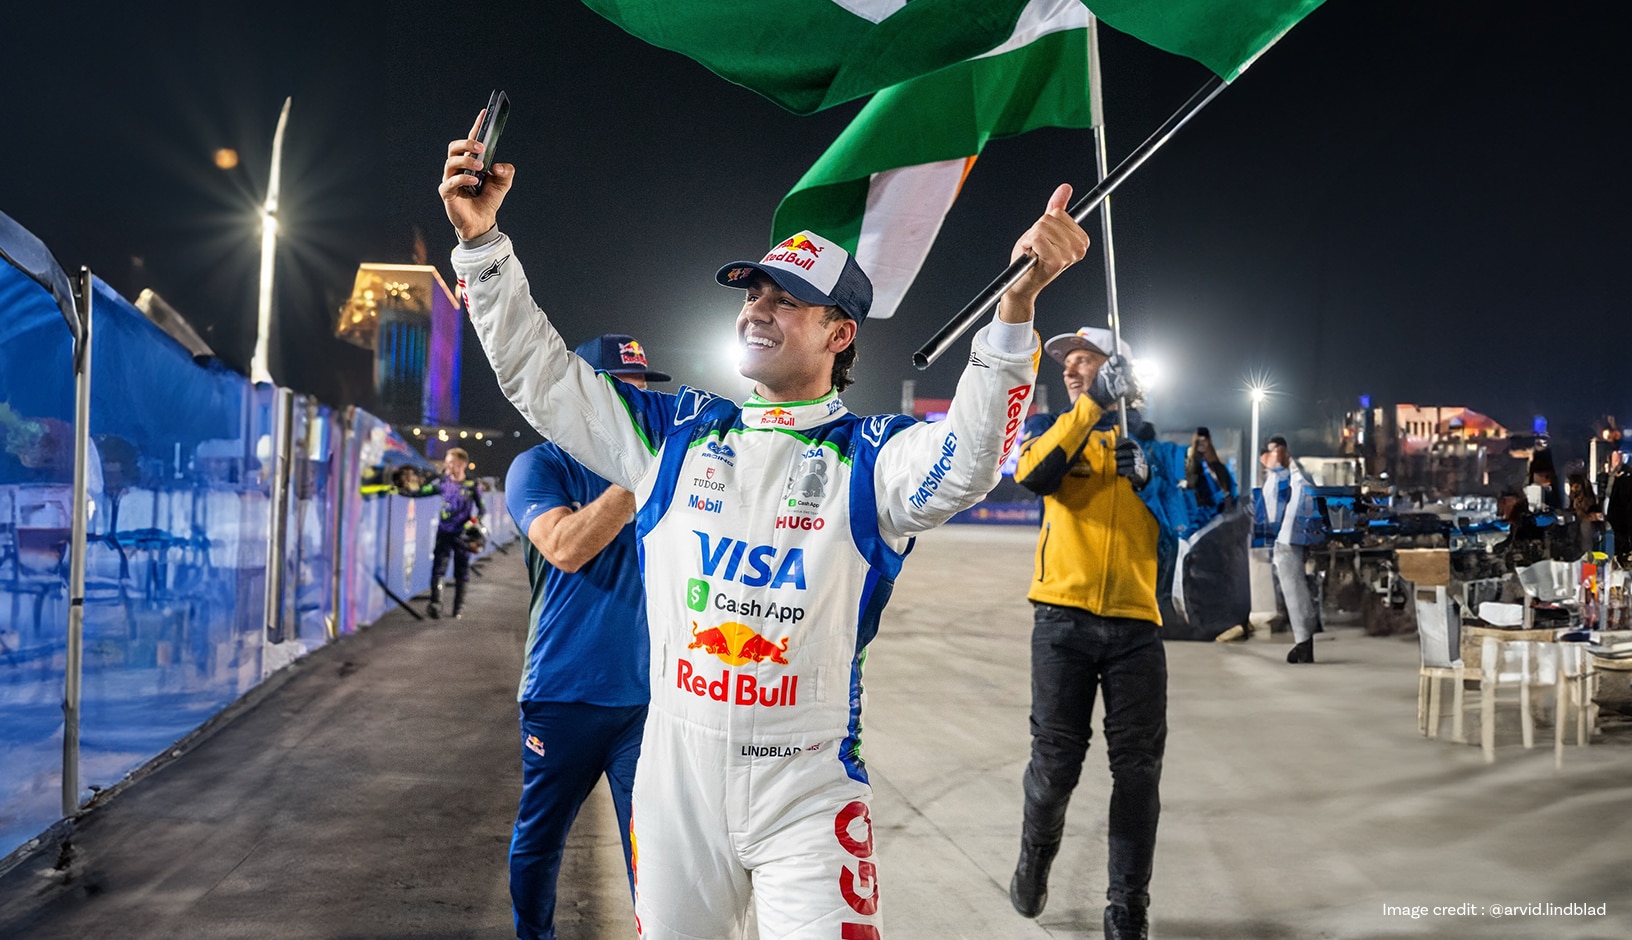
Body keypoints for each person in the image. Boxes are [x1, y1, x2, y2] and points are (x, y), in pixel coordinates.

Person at [440, 115, 1087, 939]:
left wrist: (1016, 308)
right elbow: (538, 373)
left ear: (839, 333)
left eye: (788, 300)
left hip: (809, 793)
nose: (758, 310)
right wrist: (484, 246)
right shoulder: (674, 434)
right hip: (674, 784)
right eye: (754, 294)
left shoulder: (872, 459)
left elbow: (970, 459)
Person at [502, 332, 670, 940]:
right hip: (563, 692)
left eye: (641, 390)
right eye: (621, 389)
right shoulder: (540, 466)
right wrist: (636, 483)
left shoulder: (665, 474)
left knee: (653, 847)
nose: (635, 403)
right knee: (541, 837)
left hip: (645, 700)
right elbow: (565, 548)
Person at [1007, 326, 1163, 940]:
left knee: (1139, 773)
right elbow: (1032, 477)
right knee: (1055, 767)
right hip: (1061, 622)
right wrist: (1091, 406)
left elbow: (1195, 520)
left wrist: (1150, 478)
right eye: (1068, 365)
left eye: (1087, 361)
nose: (1072, 370)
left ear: (1116, 368)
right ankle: (1035, 856)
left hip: (1136, 627)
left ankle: (1128, 907)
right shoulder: (1053, 429)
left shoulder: (1150, 440)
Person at [1261, 435, 1320, 663]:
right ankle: (1304, 640)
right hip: (1287, 537)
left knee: (1294, 589)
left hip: (1287, 539)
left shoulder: (1291, 477)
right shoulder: (1290, 475)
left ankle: (1304, 643)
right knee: (1295, 589)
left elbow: (1274, 508)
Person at [428, 447, 484, 619]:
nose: (447, 465)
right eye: (447, 462)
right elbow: (422, 492)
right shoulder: (442, 483)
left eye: (451, 462)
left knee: (462, 571)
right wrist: (403, 489)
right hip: (443, 534)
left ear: (462, 464)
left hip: (462, 537)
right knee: (438, 570)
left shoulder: (472, 485)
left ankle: (458, 608)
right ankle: (436, 605)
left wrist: (473, 522)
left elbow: (482, 509)